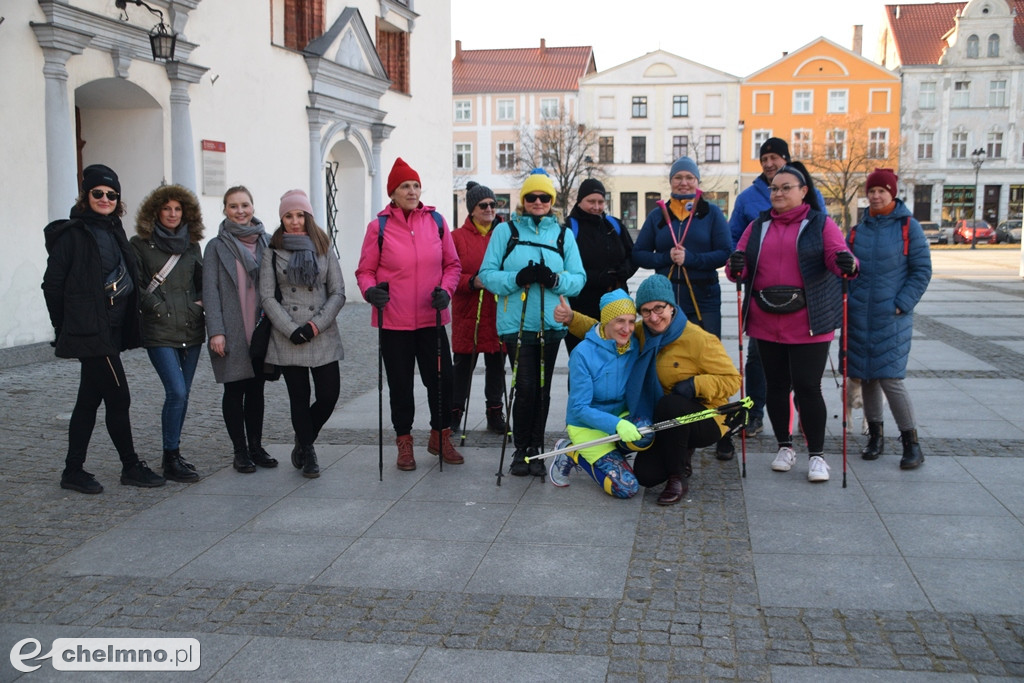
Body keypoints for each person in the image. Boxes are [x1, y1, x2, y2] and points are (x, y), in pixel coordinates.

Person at [555, 274, 741, 505]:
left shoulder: (699, 339)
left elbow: (733, 380)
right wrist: (572, 318)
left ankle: (678, 476)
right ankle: (671, 453)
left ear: (671, 306)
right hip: (663, 417)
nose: (653, 317)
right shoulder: (642, 331)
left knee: (671, 404)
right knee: (646, 476)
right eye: (645, 311)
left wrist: (695, 385)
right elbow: (608, 328)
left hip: (702, 417)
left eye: (659, 308)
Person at [727, 162, 858, 483]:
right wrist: (736, 265)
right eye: (774, 188)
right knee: (775, 387)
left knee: (808, 387)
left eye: (787, 187)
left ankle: (817, 455)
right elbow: (736, 268)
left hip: (808, 321)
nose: (779, 193)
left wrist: (848, 263)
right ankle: (785, 447)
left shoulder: (820, 223)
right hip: (765, 318)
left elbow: (838, 257)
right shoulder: (758, 225)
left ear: (803, 192)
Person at [42, 164, 165, 494]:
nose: (106, 199)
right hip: (89, 331)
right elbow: (51, 285)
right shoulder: (72, 234)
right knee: (118, 395)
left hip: (109, 328)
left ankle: (73, 470)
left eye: (112, 195)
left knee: (88, 400)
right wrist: (63, 325)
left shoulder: (113, 230)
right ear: (86, 196)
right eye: (98, 193)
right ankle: (130, 466)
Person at [356, 158, 463, 471]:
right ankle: (404, 443)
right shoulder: (379, 227)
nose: (413, 190)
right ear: (393, 192)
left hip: (431, 319)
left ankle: (440, 436)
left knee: (443, 381)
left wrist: (447, 290)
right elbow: (365, 270)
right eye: (406, 186)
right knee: (401, 386)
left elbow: (452, 265)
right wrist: (370, 291)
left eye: (416, 185)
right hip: (394, 321)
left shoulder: (436, 222)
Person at [478, 168, 586, 476]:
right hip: (517, 323)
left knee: (542, 387)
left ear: (551, 200)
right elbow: (487, 275)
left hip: (551, 324)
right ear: (523, 199)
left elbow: (578, 279)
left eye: (544, 197)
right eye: (531, 196)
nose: (537, 202)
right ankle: (520, 449)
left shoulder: (563, 234)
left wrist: (555, 279)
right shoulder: (505, 231)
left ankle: (536, 449)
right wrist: (517, 278)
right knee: (523, 386)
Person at [632, 156, 734, 460]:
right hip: (667, 300)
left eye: (689, 177)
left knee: (709, 359)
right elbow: (639, 253)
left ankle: (722, 425)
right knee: (669, 359)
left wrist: (691, 259)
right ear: (671, 182)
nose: (684, 182)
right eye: (678, 177)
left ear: (698, 181)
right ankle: (674, 423)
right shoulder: (659, 214)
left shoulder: (711, 213)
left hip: (703, 295)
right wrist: (666, 258)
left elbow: (724, 252)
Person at [728, 138, 828, 440]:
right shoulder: (748, 198)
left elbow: (822, 233)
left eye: (774, 158)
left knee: (802, 367)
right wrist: (740, 263)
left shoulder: (808, 192)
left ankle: (805, 415)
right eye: (764, 158)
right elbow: (734, 238)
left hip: (803, 299)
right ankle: (755, 413)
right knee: (760, 361)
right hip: (763, 297)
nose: (769, 164)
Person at [846, 169, 931, 470]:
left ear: (892, 193)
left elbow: (922, 271)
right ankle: (875, 437)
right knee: (866, 376)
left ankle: (912, 443)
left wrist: (902, 304)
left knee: (890, 378)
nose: (876, 195)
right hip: (860, 316)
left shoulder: (909, 227)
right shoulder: (858, 230)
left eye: (882, 190)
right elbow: (847, 269)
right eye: (872, 191)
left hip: (891, 317)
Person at [260, 189, 346, 478]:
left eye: (299, 215)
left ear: (308, 216)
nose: (294, 221)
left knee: (328, 396)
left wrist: (314, 326)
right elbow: (267, 297)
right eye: (288, 216)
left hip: (321, 332)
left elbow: (338, 292)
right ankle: (308, 451)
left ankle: (303, 436)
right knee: (299, 397)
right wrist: (290, 329)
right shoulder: (272, 251)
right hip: (289, 335)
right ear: (281, 218)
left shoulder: (324, 246)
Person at [130, 184, 205, 483]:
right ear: (156, 212)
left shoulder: (192, 244)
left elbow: (203, 281)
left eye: (178, 209)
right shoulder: (139, 244)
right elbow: (135, 285)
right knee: (175, 391)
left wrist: (198, 306)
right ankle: (170, 455)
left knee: (183, 395)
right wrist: (157, 308)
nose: (173, 214)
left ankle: (172, 454)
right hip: (159, 329)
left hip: (192, 327)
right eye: (167, 209)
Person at [203, 186, 279, 474]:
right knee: (234, 390)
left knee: (256, 390)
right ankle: (240, 450)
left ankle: (256, 447)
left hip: (260, 328)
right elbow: (210, 291)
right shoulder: (216, 246)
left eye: (245, 205)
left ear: (253, 206)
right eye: (233, 206)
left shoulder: (268, 242)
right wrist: (216, 331)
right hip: (233, 328)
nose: (240, 211)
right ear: (225, 210)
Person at [549, 289, 641, 498]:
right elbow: (579, 409)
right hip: (587, 426)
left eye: (631, 321)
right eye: (619, 321)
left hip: (619, 418)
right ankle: (573, 451)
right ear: (606, 321)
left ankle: (611, 456)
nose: (626, 329)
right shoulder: (582, 353)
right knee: (626, 488)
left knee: (646, 435)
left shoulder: (633, 346)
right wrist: (616, 425)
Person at [450, 181, 506, 434]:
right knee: (462, 370)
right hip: (469, 314)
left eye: (493, 205)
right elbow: (450, 275)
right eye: (483, 205)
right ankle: (454, 413)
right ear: (472, 209)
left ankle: (495, 413)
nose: (489, 209)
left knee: (496, 367)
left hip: (497, 313)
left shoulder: (504, 235)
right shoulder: (456, 238)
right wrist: (472, 281)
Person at [563, 178, 637, 354]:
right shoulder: (569, 228)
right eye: (591, 201)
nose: (596, 207)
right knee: (583, 360)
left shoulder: (614, 225)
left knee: (615, 359)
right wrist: (596, 277)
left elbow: (633, 255)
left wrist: (625, 271)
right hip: (582, 305)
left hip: (616, 304)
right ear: (579, 201)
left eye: (600, 202)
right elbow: (565, 268)